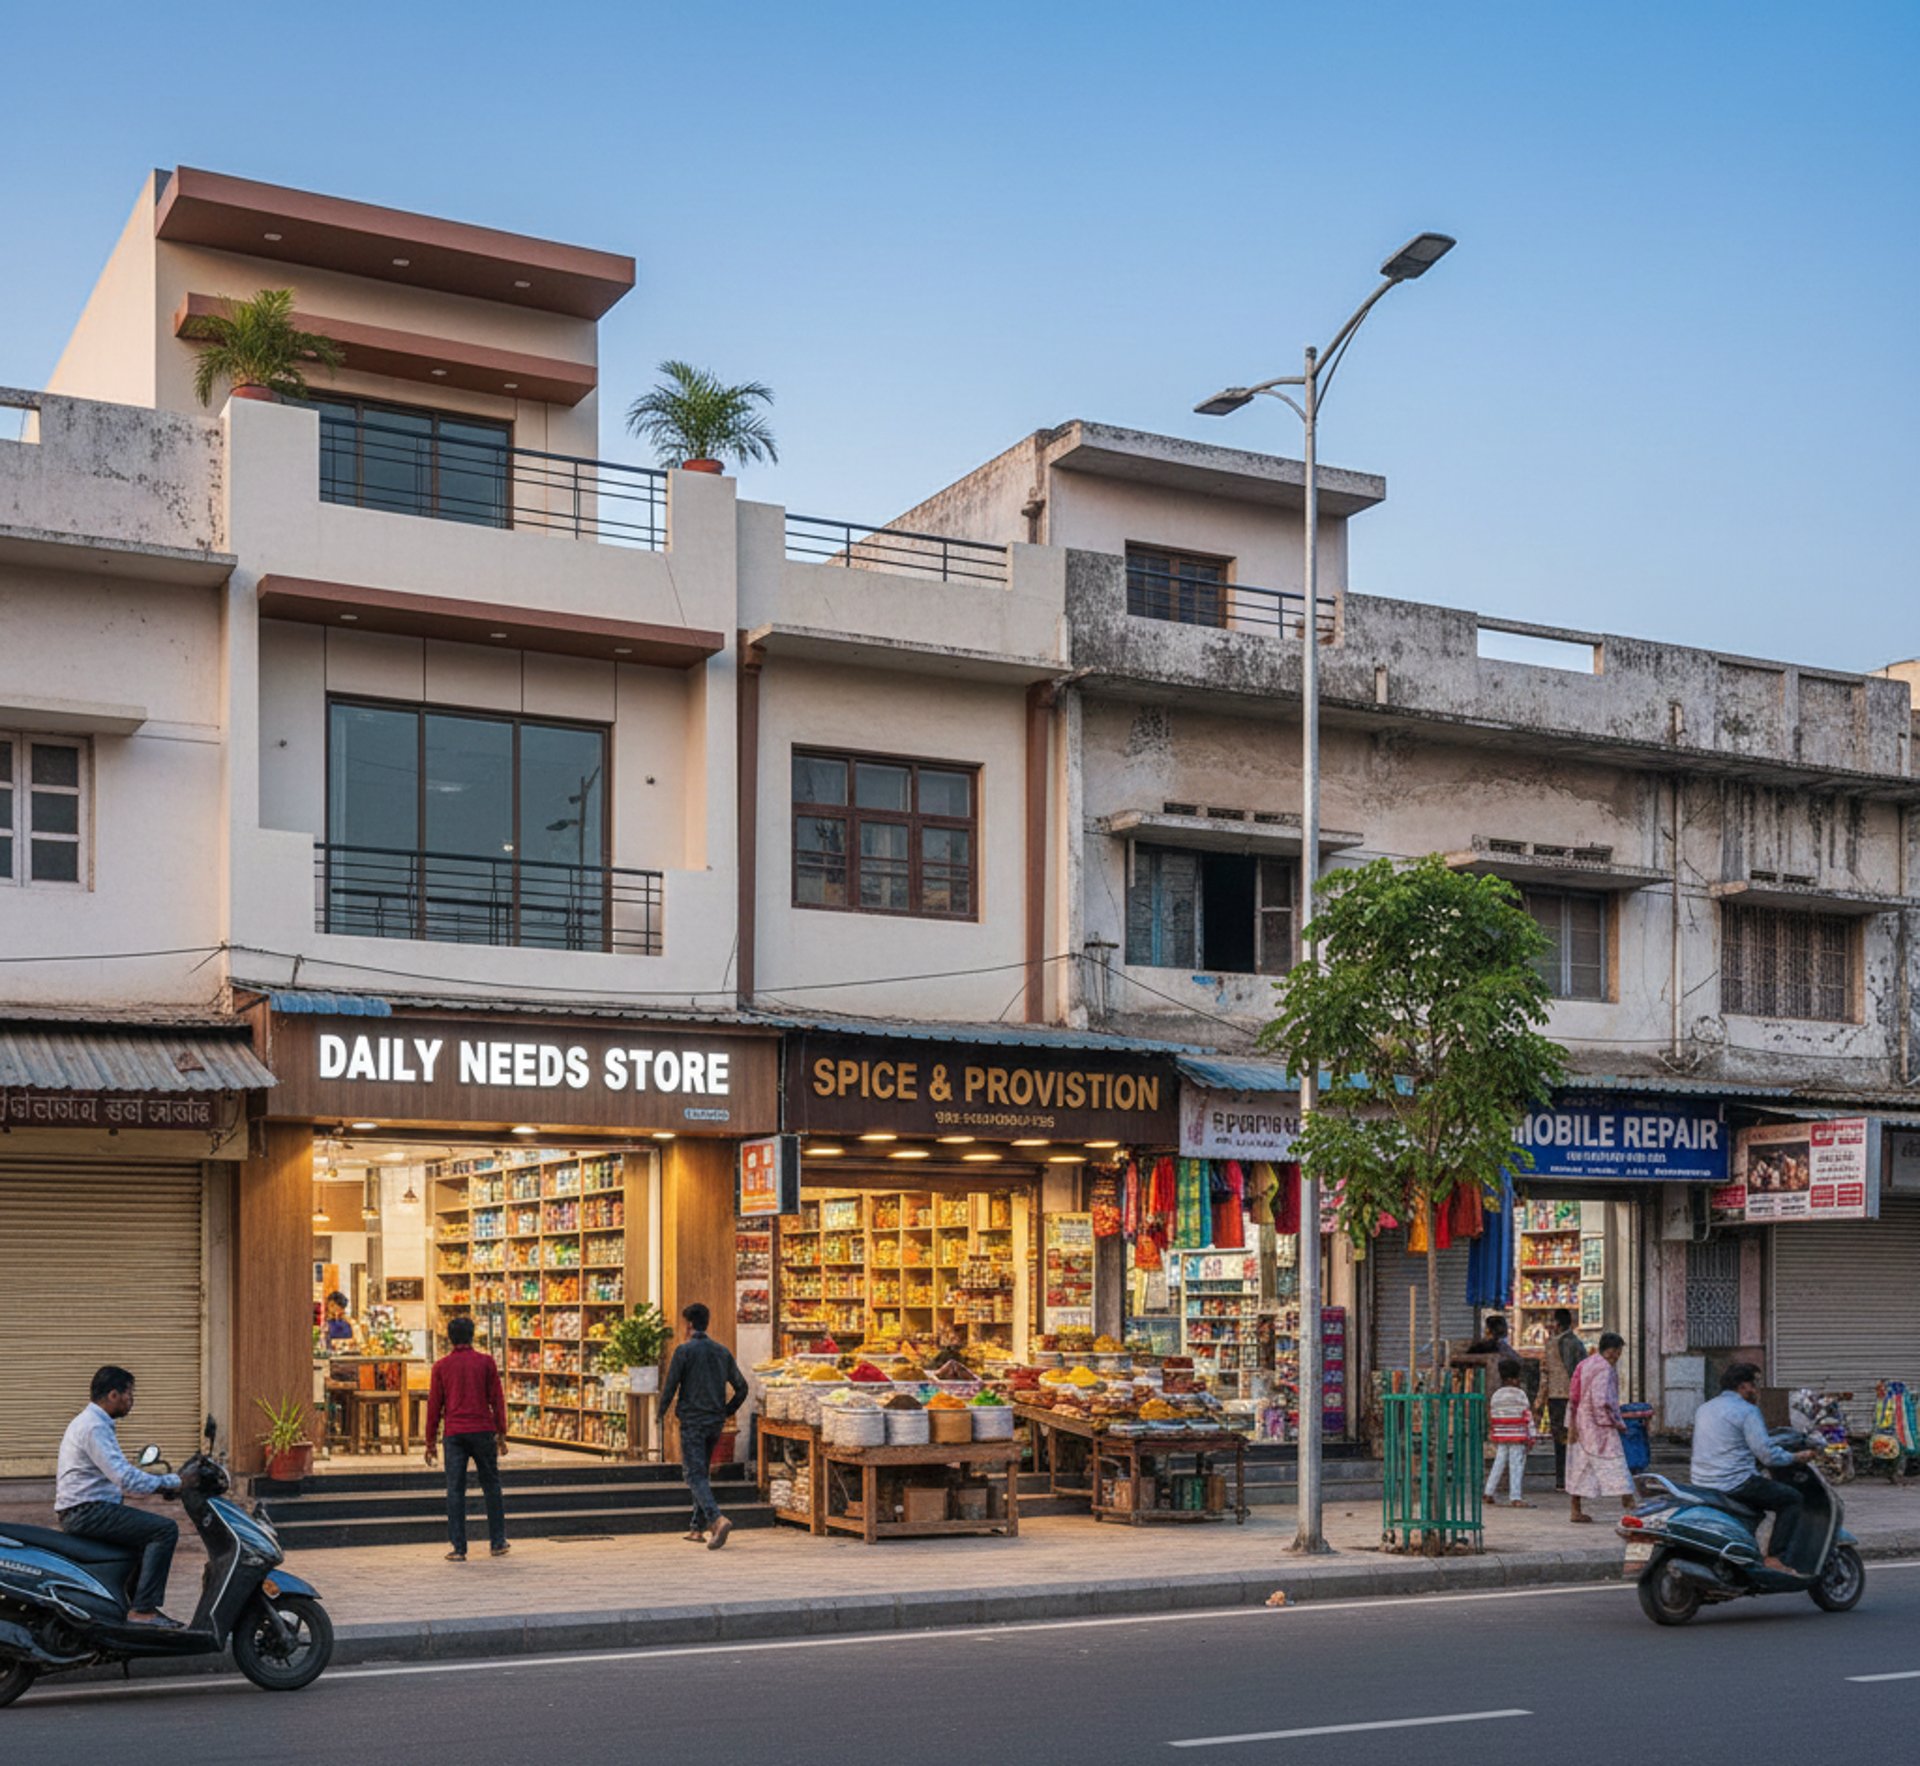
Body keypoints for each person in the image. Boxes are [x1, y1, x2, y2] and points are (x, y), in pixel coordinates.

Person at [55, 1366, 184, 1626]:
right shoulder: (94, 1427)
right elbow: (125, 1478)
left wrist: (155, 1486)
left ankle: (126, 1607)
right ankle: (143, 1611)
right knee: (164, 1530)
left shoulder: (94, 1423)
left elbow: (119, 1477)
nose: (131, 1400)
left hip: (88, 1508)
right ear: (113, 1395)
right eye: (129, 1393)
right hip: (87, 1512)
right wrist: (174, 1482)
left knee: (141, 1541)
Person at [1690, 1361, 1815, 1573]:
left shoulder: (1704, 1409)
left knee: (1760, 1502)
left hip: (1701, 1481)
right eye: (1754, 1385)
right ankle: (1775, 1557)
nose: (1756, 1391)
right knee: (1792, 1499)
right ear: (1743, 1386)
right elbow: (1766, 1454)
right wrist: (1795, 1457)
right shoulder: (1747, 1411)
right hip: (1734, 1482)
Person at [659, 1302, 749, 1550]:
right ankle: (697, 1528)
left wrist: (660, 1413)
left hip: (692, 1421)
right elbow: (742, 1387)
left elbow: (670, 1387)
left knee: (693, 1473)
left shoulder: (684, 1351)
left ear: (688, 1325)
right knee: (702, 1471)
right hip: (714, 1422)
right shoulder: (722, 1352)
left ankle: (716, 1519)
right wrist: (726, 1410)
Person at [423, 1315, 510, 1562]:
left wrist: (430, 1442)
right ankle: (498, 1541)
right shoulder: (486, 1363)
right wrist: (501, 1433)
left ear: (449, 1338)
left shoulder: (441, 1367)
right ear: (473, 1335)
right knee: (491, 1486)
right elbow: (497, 1400)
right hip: (483, 1430)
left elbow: (434, 1407)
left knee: (455, 1490)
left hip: (454, 1434)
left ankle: (459, 1548)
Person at [1565, 1331, 1634, 1522]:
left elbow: (1573, 1395)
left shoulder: (1585, 1364)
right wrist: (1617, 1422)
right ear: (1611, 1351)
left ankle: (1575, 1509)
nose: (1618, 1356)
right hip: (1599, 1425)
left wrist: (1572, 1424)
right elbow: (1603, 1400)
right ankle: (1629, 1503)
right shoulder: (1605, 1369)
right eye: (1618, 1352)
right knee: (1616, 1462)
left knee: (1580, 1466)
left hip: (1581, 1422)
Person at [1539, 1308, 1587, 1492]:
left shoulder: (1550, 1345)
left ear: (1557, 1324)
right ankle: (1572, 1478)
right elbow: (1580, 1371)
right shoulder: (1576, 1343)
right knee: (1574, 1439)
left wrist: (1539, 1401)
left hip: (1555, 1397)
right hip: (1573, 1397)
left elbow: (1545, 1374)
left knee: (1559, 1440)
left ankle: (1561, 1480)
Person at [1484, 1357, 1534, 1508]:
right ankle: (1515, 1496)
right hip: (1517, 1434)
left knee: (1499, 1462)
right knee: (1516, 1463)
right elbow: (1526, 1415)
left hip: (1501, 1434)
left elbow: (1492, 1414)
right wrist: (1531, 1434)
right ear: (1513, 1379)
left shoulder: (1496, 1395)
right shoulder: (1520, 1395)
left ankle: (1488, 1492)